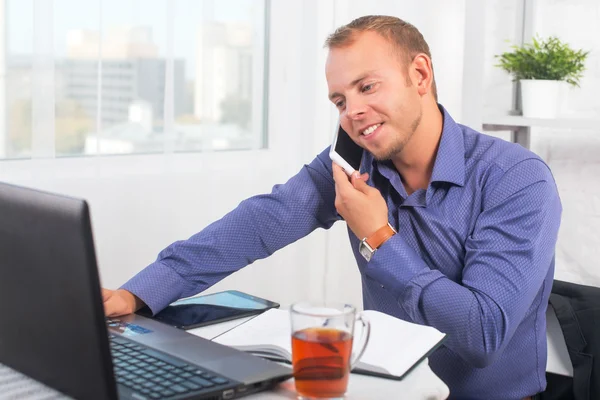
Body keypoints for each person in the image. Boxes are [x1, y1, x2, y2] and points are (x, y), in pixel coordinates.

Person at [102, 15, 561, 400]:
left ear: (420, 75)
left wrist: (380, 239)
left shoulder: (517, 179)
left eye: (367, 87)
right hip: (385, 391)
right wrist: (137, 295)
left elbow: (482, 336)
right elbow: (258, 223)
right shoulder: (350, 165)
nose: (352, 112)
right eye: (340, 100)